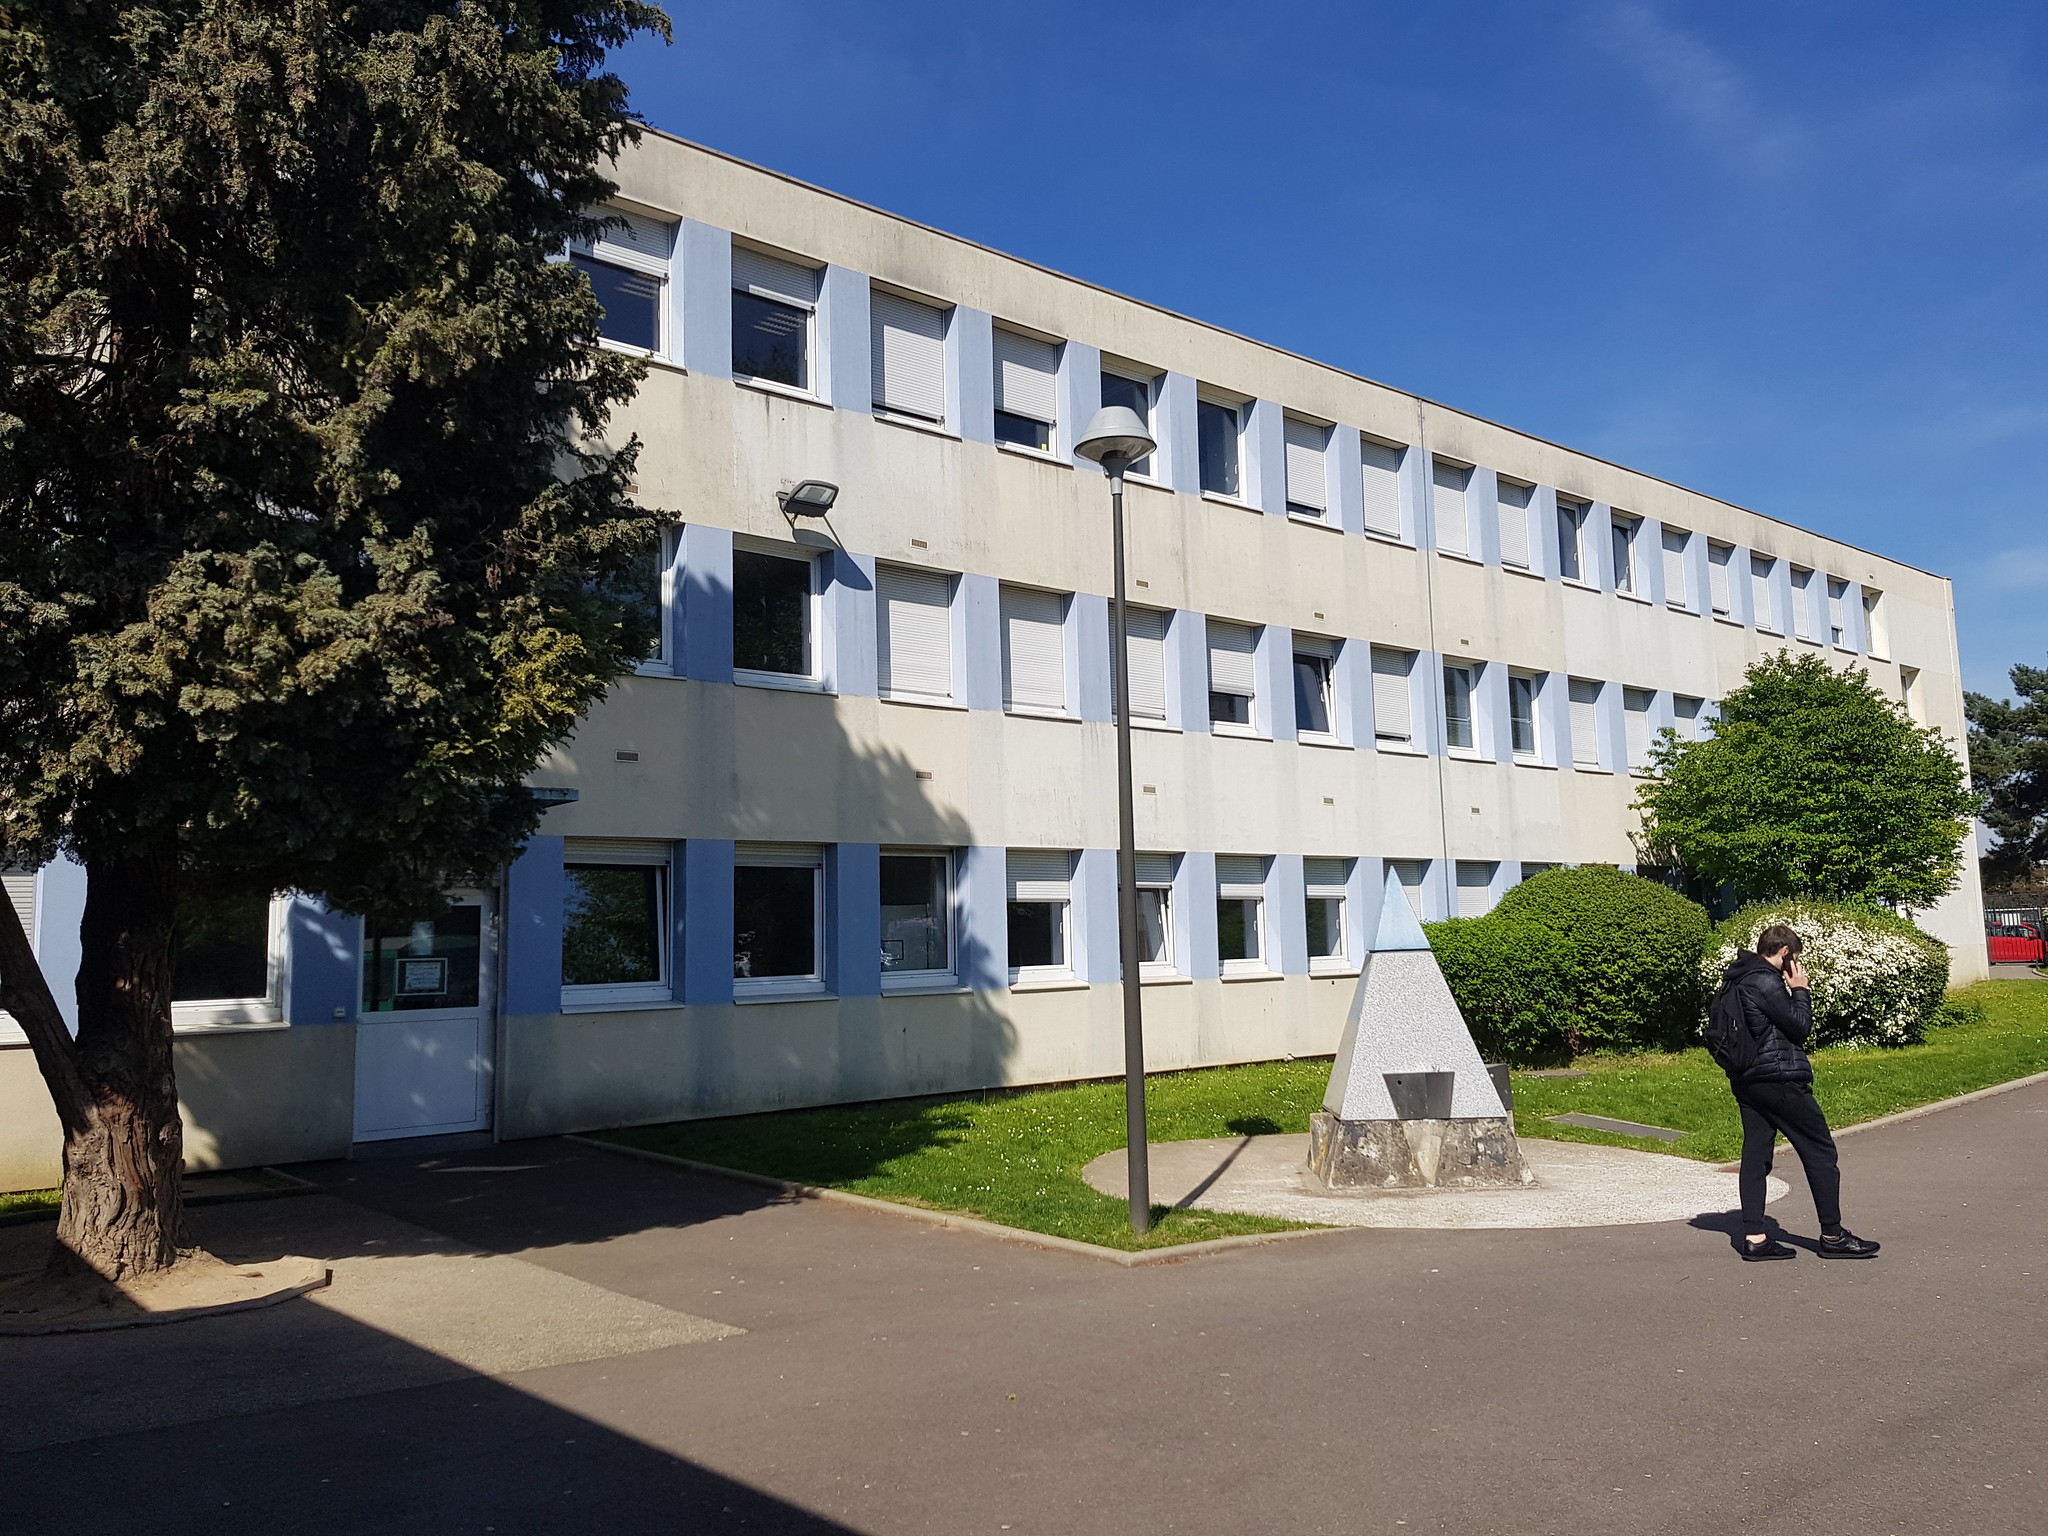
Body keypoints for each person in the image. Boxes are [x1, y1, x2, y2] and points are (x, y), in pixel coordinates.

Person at [1719, 925, 1880, 1261]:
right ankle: (1833, 1236)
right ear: (1786, 954)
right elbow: (1799, 1026)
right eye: (1795, 959)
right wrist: (1800, 989)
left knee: (1756, 1155)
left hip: (1747, 1079)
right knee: (1820, 1151)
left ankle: (1755, 1237)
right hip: (1779, 1079)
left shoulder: (1738, 978)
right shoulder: (1766, 980)